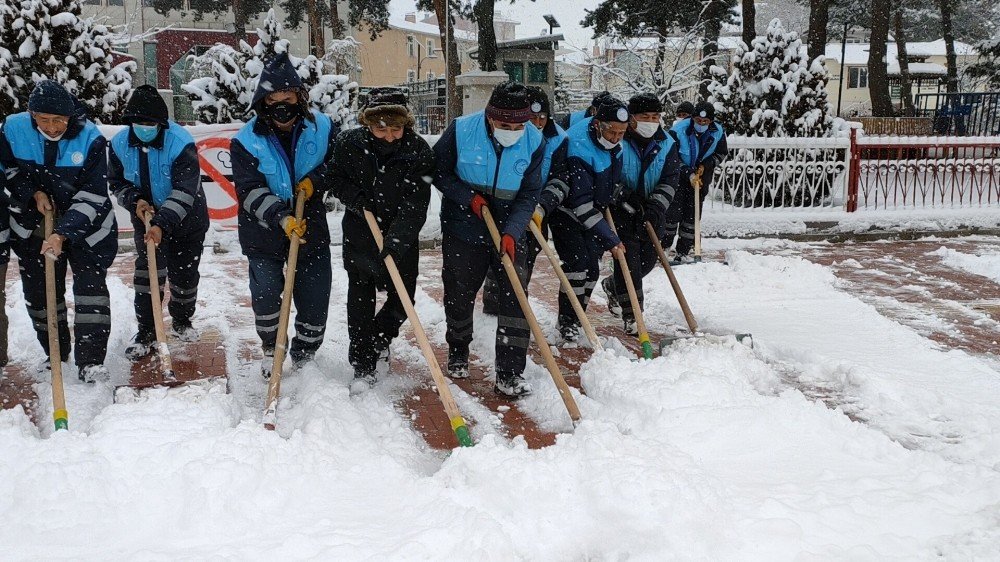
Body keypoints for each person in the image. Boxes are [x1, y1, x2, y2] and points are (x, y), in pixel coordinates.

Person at [0, 80, 117, 382]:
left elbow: (92, 196)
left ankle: (90, 361)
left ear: (70, 116)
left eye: (59, 121)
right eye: (44, 120)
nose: (52, 128)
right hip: (32, 223)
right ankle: (55, 350)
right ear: (31, 115)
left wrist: (62, 233)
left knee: (91, 291)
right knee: (40, 293)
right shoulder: (13, 130)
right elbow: (8, 168)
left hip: (87, 226)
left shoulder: (90, 139)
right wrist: (31, 193)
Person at [230, 53, 338, 377]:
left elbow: (338, 165)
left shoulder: (323, 128)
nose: (282, 107)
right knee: (266, 295)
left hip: (311, 224)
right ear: (263, 102)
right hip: (262, 229)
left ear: (300, 98)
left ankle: (306, 354)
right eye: (273, 100)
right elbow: (248, 191)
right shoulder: (246, 140)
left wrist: (315, 182)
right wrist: (281, 216)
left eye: (288, 99)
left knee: (316, 294)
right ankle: (271, 348)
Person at [434, 81, 545, 398]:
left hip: (510, 222)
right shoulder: (462, 130)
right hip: (464, 223)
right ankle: (458, 349)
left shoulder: (534, 142)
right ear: (489, 116)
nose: (512, 130)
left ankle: (509, 373)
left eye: (518, 125)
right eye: (504, 124)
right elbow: (437, 172)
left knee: (515, 295)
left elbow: (529, 194)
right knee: (459, 291)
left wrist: (513, 230)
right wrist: (467, 197)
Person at [328, 88, 435, 389]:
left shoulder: (418, 152)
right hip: (362, 229)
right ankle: (362, 362)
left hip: (401, 231)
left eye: (396, 129)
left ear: (406, 126)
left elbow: (417, 204)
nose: (389, 136)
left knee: (403, 299)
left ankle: (380, 337)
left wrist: (396, 243)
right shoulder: (349, 144)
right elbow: (335, 178)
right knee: (361, 296)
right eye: (380, 129)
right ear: (368, 125)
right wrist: (355, 199)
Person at [109, 85, 210, 360]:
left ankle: (181, 319)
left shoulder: (180, 142)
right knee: (148, 275)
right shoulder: (119, 144)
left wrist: (162, 223)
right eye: (139, 123)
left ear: (161, 124)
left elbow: (185, 189)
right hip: (146, 217)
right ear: (130, 122)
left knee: (184, 277)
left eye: (151, 124)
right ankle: (147, 330)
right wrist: (135, 201)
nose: (145, 128)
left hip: (186, 219)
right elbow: (117, 182)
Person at [536, 97, 629, 341]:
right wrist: (611, 239)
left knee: (592, 271)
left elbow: (611, 177)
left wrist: (613, 191)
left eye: (622, 132)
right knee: (577, 266)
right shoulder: (577, 146)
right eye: (613, 132)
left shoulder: (614, 143)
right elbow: (580, 202)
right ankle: (568, 321)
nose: (617, 137)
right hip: (567, 212)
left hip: (594, 212)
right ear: (599, 125)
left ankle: (579, 318)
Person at [482, 85, 567, 316]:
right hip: (509, 201)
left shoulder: (559, 139)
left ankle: (517, 299)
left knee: (529, 249)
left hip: (538, 206)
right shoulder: (514, 134)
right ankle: (494, 297)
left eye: (542, 118)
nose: (537, 123)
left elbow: (560, 178)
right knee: (500, 249)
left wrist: (542, 205)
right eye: (532, 118)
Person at [600, 93, 680, 334]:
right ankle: (633, 314)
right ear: (632, 118)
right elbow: (606, 176)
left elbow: (670, 178)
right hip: (621, 210)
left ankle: (613, 286)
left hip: (652, 210)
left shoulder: (667, 143)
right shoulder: (618, 140)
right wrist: (624, 196)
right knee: (629, 260)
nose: (651, 121)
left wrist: (656, 205)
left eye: (655, 117)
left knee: (647, 260)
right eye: (645, 116)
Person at [665, 100, 728, 264]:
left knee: (692, 216)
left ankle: (683, 251)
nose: (701, 124)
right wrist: (688, 172)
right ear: (692, 118)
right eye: (698, 121)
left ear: (711, 121)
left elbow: (721, 153)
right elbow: (671, 157)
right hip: (678, 178)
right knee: (672, 214)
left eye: (705, 122)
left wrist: (705, 166)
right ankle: (664, 248)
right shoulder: (678, 130)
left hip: (701, 178)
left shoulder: (718, 132)